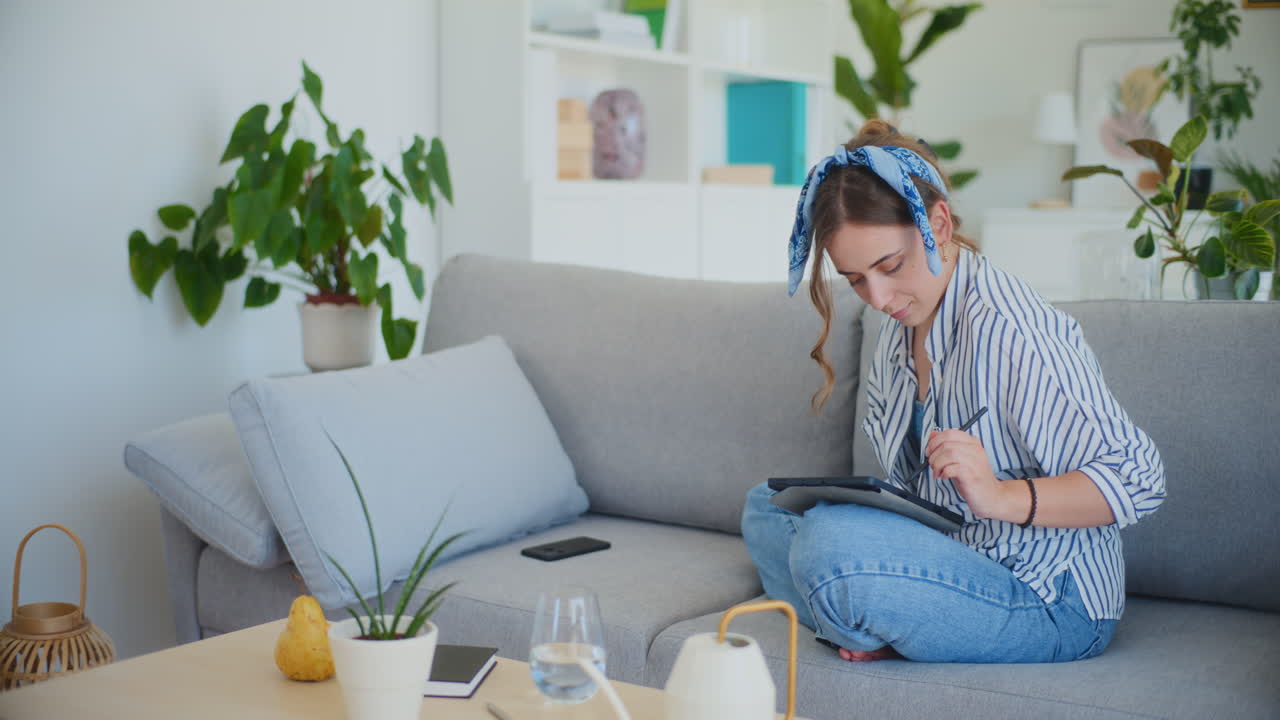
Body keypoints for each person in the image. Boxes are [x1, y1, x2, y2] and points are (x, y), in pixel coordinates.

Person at [741, 120, 1167, 663]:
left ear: (938, 225)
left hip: (1047, 596)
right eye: (855, 279)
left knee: (828, 545)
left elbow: (1140, 477)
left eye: (890, 266)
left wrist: (999, 495)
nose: (877, 296)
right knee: (767, 508)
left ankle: (868, 619)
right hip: (955, 554)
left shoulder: (1012, 331)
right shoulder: (903, 325)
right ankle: (876, 617)